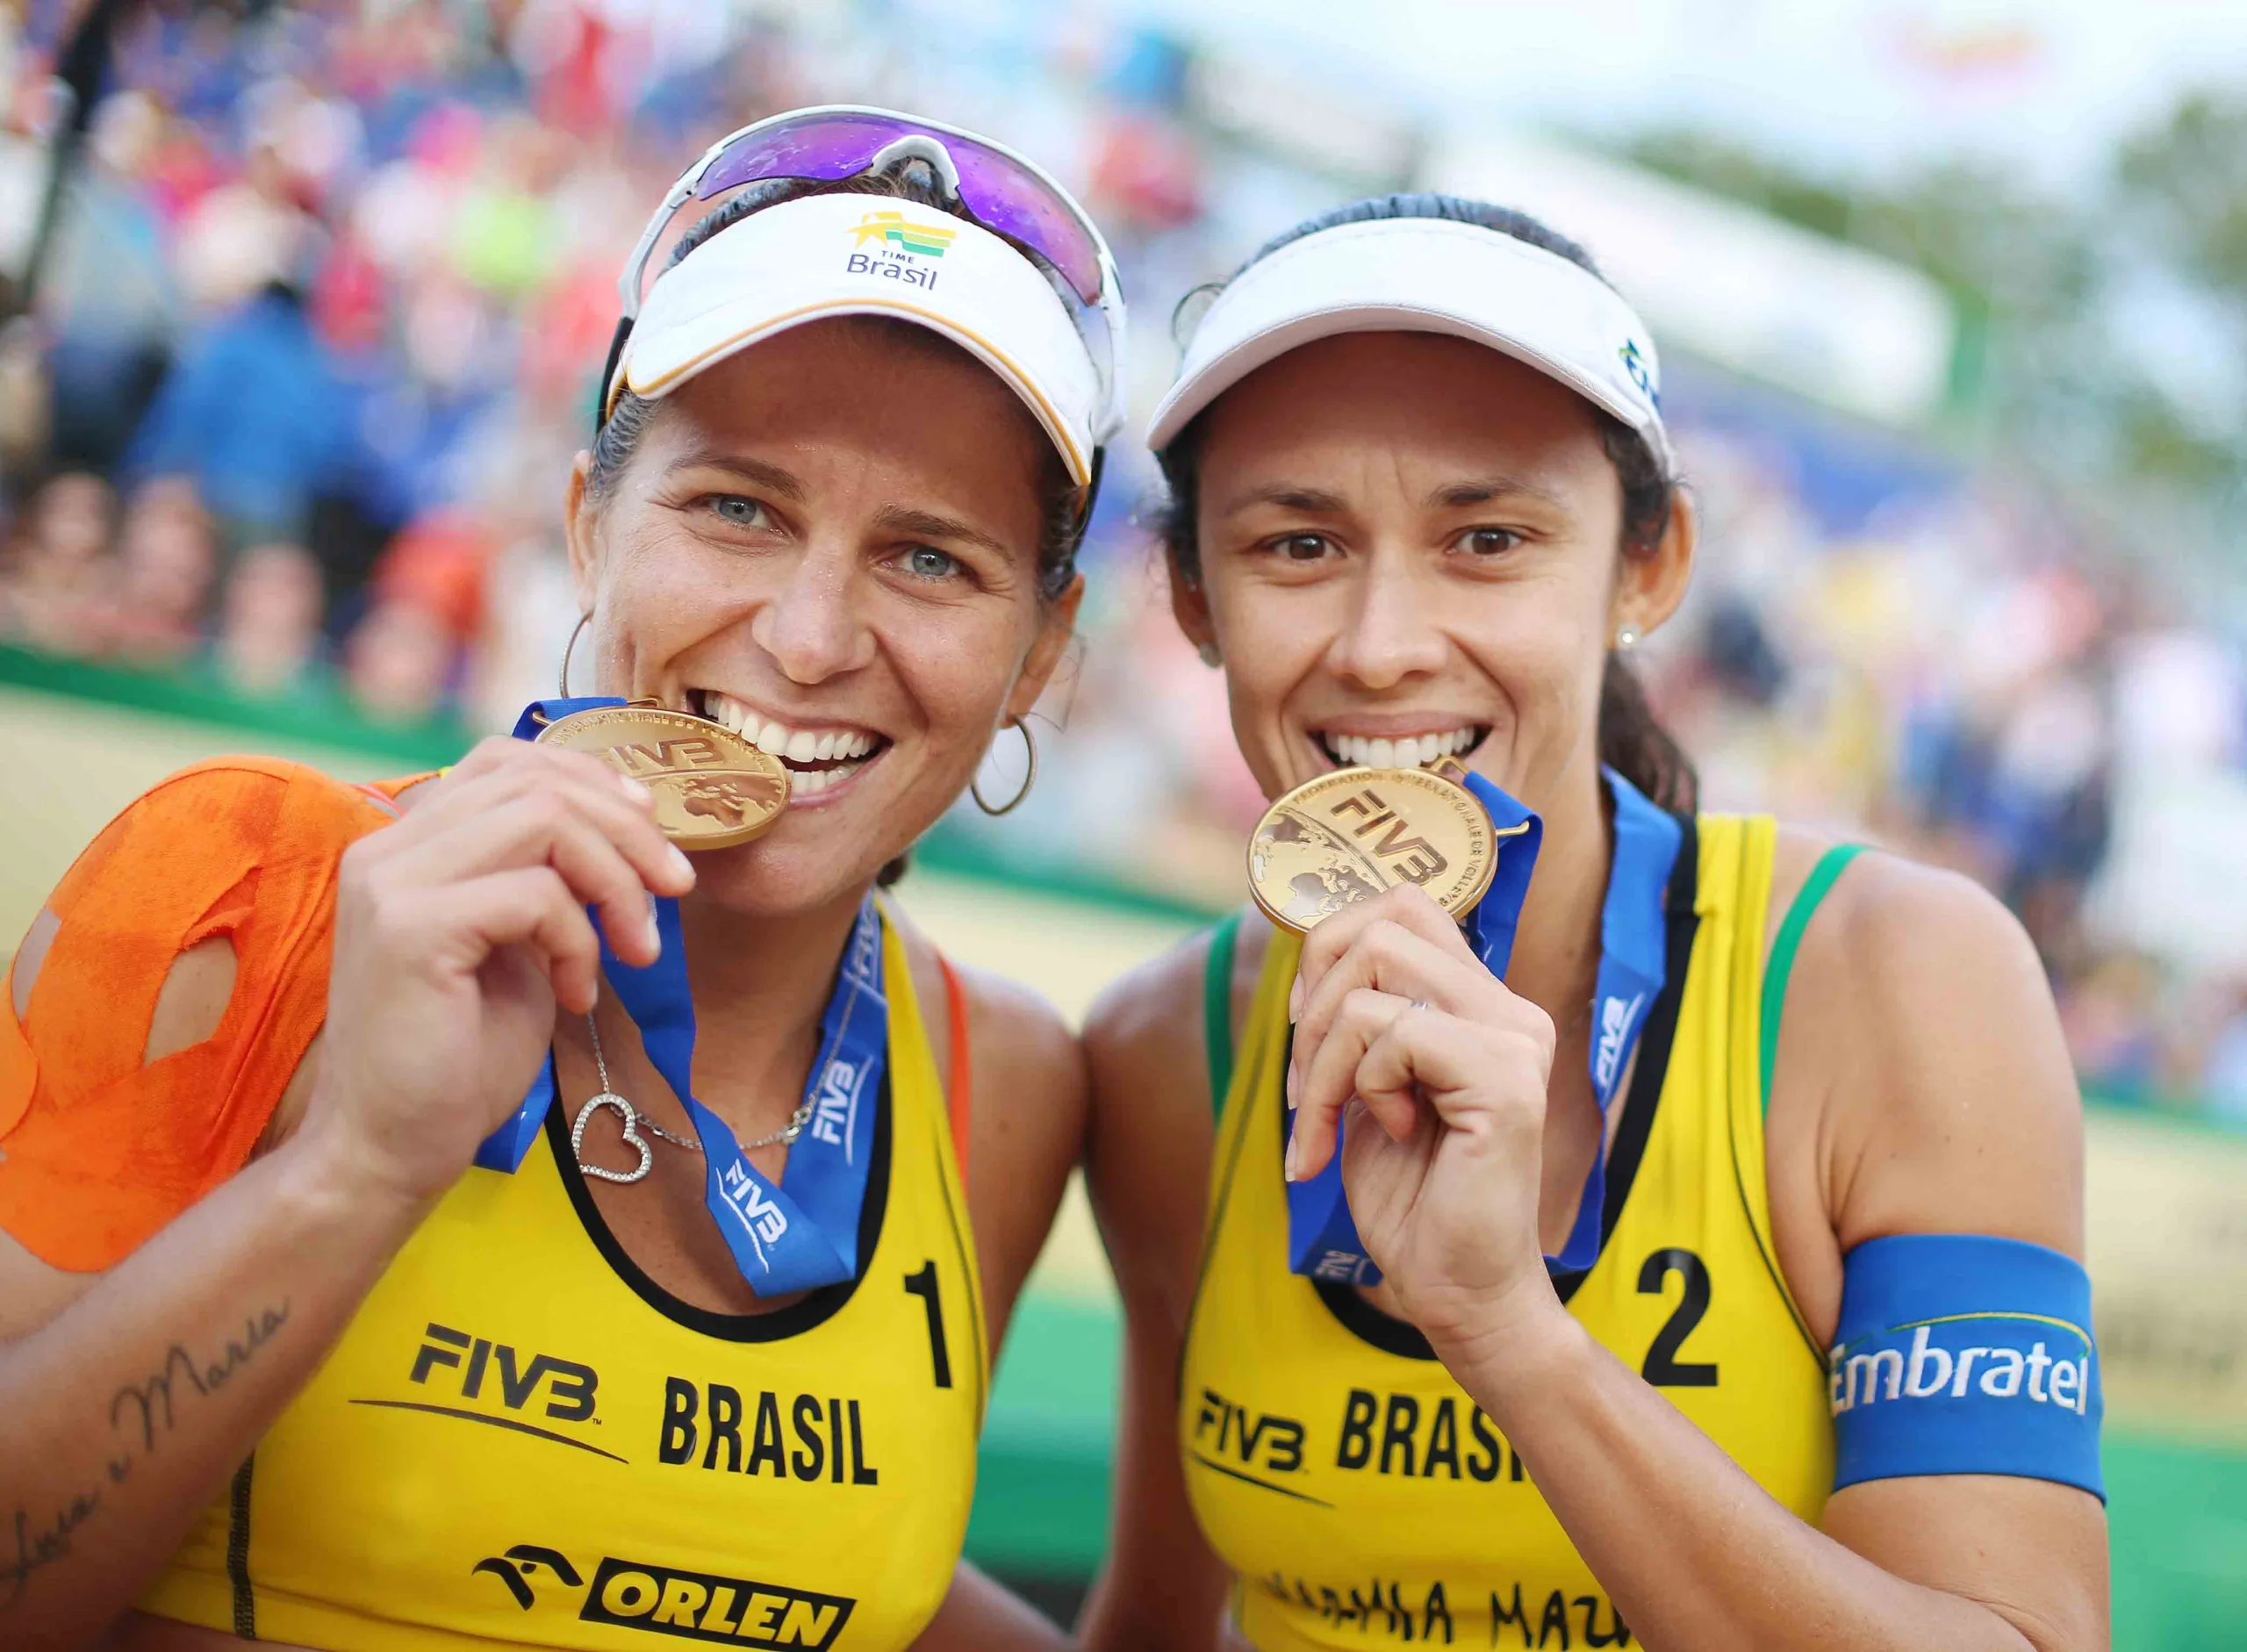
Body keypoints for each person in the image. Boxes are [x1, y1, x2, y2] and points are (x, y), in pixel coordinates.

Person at [0, 105, 1127, 1652]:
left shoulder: (998, 1080)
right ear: (592, 528)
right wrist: (357, 1169)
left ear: (1040, 655)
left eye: (932, 557)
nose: (808, 638)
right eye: (739, 505)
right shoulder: (247, 885)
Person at [1080, 195, 2107, 1652]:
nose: (1382, 645)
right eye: (1296, 545)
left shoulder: (1894, 978)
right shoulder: (1160, 1053)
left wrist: (1508, 1332)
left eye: (1488, 538)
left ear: (1649, 566)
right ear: (1192, 597)